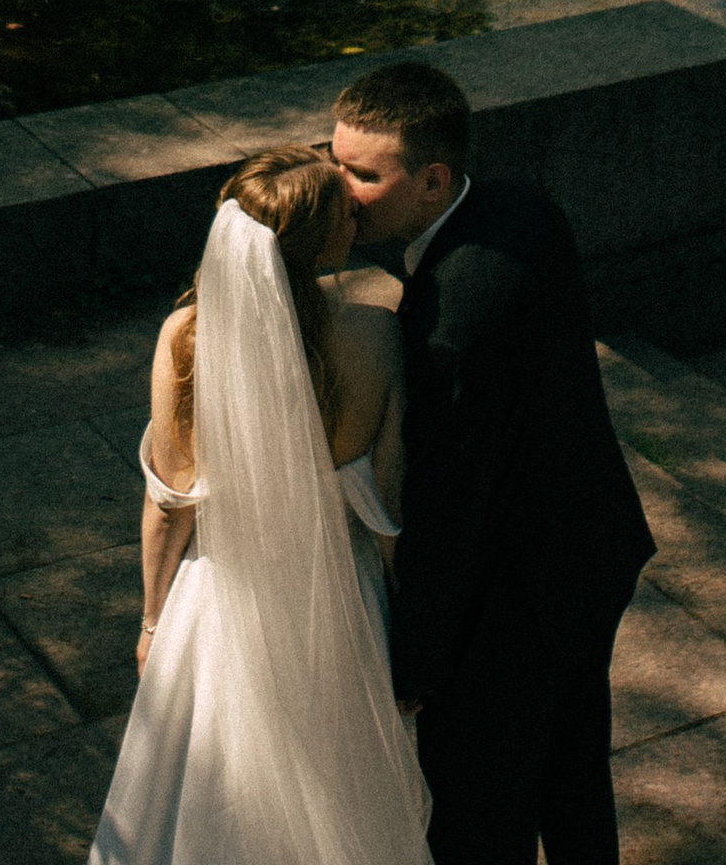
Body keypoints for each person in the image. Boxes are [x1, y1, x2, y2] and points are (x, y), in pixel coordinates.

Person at [332, 61, 655, 865]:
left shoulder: (447, 327)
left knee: (480, 811)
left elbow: (449, 503)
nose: (338, 188)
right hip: (593, 549)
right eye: (334, 160)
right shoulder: (522, 208)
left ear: (433, 180)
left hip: (512, 601)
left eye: (362, 174)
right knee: (574, 775)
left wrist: (418, 657)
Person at [89, 147, 431, 865]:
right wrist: (411, 637)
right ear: (327, 242)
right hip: (343, 598)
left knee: (210, 794)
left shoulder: (188, 337)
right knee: (339, 798)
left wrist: (152, 621)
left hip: (221, 597)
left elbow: (169, 504)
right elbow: (392, 508)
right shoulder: (377, 336)